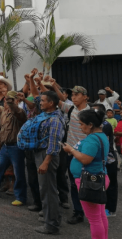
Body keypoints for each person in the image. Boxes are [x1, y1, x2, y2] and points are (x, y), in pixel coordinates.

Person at [62, 109, 110, 239]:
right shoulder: (101, 135)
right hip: (98, 178)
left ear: (90, 124)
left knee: (94, 219)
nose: (80, 127)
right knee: (100, 215)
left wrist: (71, 149)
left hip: (89, 181)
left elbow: (85, 159)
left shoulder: (92, 139)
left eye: (82, 124)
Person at [54, 85, 90, 224]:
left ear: (85, 96)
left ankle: (93, 211)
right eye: (72, 95)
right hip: (71, 154)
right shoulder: (70, 109)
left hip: (86, 154)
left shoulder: (91, 112)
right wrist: (52, 85)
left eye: (77, 95)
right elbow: (57, 100)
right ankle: (78, 212)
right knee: (75, 184)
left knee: (89, 183)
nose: (74, 97)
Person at [31, 91, 65, 235]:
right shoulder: (48, 115)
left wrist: (45, 162)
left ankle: (51, 225)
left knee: (48, 190)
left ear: (51, 103)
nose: (40, 102)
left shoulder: (55, 120)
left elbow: (54, 144)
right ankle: (52, 216)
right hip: (41, 153)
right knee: (47, 188)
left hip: (47, 156)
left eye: (43, 100)